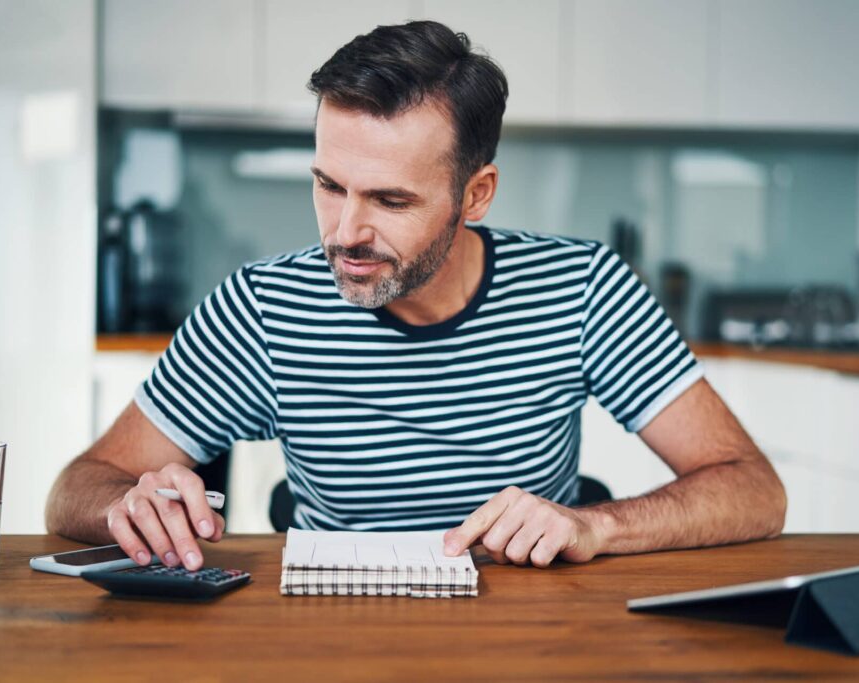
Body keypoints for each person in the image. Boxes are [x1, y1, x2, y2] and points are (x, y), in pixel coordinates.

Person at [47, 20, 785, 571]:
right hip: (330, 631)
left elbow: (754, 489)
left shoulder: (583, 288)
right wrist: (125, 504)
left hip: (529, 636)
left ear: (477, 194)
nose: (346, 231)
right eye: (329, 185)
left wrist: (598, 525)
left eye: (391, 200)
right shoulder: (262, 308)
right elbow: (75, 488)